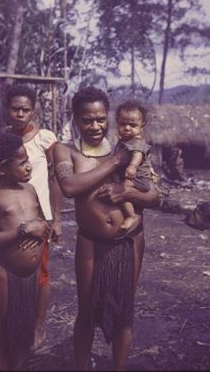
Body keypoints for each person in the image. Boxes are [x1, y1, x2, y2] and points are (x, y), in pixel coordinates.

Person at [53, 86, 160, 371]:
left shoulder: (127, 146)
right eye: (87, 120)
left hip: (130, 240)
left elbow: (155, 195)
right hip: (91, 241)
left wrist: (127, 195)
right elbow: (69, 186)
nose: (95, 126)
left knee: (125, 311)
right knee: (86, 310)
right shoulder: (66, 150)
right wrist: (113, 162)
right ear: (76, 118)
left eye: (101, 119)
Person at [5, 84, 63, 349]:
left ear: (34, 111)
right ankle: (11, 328)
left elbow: (54, 179)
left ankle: (37, 327)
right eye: (15, 109)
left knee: (40, 274)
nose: (19, 114)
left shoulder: (45, 139)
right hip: (9, 219)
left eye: (25, 109)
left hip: (40, 220)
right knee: (10, 273)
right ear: (7, 110)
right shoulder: (3, 142)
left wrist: (57, 219)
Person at [0, 132, 51, 371]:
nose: (29, 166)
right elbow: (26, 226)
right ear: (1, 169)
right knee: (2, 333)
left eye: (28, 160)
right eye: (22, 163)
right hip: (5, 275)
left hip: (28, 279)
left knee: (20, 333)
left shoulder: (29, 189)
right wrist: (23, 230)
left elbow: (39, 221)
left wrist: (43, 228)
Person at [114, 100, 152, 232]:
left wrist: (132, 166)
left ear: (141, 127)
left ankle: (131, 216)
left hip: (138, 178)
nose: (127, 128)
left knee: (121, 190)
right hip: (130, 176)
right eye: (123, 124)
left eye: (133, 125)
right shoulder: (123, 141)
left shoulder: (136, 141)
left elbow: (137, 154)